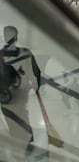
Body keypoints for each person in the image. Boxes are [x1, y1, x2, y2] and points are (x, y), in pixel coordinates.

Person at [1, 26, 64, 158]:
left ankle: (17, 148)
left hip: (4, 95)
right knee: (23, 118)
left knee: (11, 120)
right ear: (16, 37)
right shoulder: (25, 53)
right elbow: (36, 73)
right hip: (21, 94)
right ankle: (25, 148)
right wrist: (36, 86)